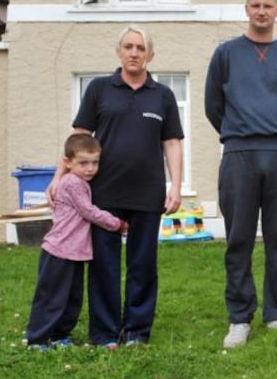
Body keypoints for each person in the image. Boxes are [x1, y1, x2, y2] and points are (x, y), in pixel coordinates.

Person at [47, 25, 184, 349]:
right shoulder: (98, 89)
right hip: (102, 195)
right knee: (103, 266)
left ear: (150, 55)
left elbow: (172, 143)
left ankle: (137, 332)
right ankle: (105, 334)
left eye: (140, 47)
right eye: (128, 47)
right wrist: (58, 177)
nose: (134, 53)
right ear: (119, 52)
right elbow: (78, 139)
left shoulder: (162, 95)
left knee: (142, 266)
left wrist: (175, 187)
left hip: (148, 196)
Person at [205, 0, 277, 348]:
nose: (262, 11)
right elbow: (212, 106)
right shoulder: (226, 54)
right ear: (246, 8)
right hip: (239, 155)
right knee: (238, 239)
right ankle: (239, 317)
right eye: (255, 5)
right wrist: (241, 133)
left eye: (268, 5)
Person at [26, 134, 127, 351]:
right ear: (67, 163)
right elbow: (88, 211)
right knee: (51, 297)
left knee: (71, 299)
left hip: (76, 252)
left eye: (95, 163)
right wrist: (116, 223)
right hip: (59, 250)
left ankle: (60, 335)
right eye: (83, 163)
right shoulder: (72, 182)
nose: (90, 168)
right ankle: (37, 338)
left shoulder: (81, 181)